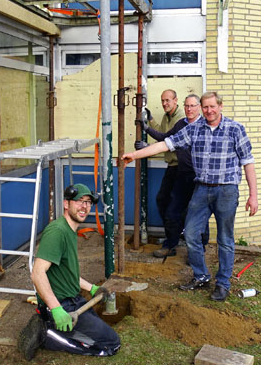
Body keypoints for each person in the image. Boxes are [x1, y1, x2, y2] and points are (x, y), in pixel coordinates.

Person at [123, 91, 258, 301]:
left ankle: (222, 283)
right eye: (205, 107)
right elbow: (166, 143)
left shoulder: (235, 129)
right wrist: (134, 155)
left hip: (226, 191)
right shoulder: (194, 129)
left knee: (225, 239)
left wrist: (253, 196)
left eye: (212, 106)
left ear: (220, 106)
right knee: (192, 234)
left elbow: (248, 162)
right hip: (202, 189)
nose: (209, 111)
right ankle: (201, 275)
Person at [19, 184, 120, 360]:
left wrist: (92, 288)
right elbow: (37, 273)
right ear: (66, 204)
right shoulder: (57, 232)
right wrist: (56, 309)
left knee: (98, 331)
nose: (84, 207)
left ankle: (49, 324)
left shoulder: (70, 229)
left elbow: (66, 272)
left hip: (74, 300)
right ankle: (48, 334)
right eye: (79, 201)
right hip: (63, 306)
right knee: (111, 344)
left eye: (88, 202)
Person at [137, 94, 209, 258]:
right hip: (181, 175)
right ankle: (170, 245)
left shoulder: (205, 126)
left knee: (199, 214)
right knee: (172, 210)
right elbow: (166, 139)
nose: (189, 109)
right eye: (187, 106)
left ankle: (199, 252)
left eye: (193, 106)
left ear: (199, 107)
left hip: (199, 177)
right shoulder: (181, 124)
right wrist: (147, 128)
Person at [144, 90, 185, 246]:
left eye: (167, 100)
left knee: (175, 206)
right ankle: (173, 237)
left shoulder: (180, 118)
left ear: (176, 100)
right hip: (172, 166)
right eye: (162, 101)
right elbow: (162, 132)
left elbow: (168, 140)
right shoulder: (167, 116)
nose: (164, 104)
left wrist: (148, 145)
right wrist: (151, 120)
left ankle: (175, 240)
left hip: (181, 168)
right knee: (163, 200)